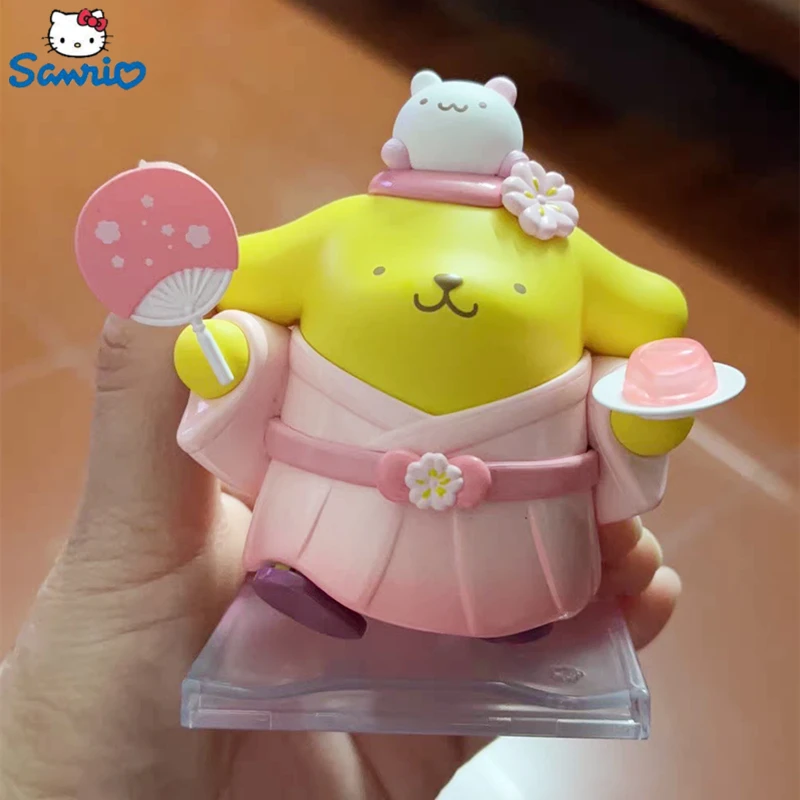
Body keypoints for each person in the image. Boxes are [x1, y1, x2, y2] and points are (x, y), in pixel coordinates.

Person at [0, 317, 680, 799]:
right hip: (337, 487)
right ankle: (313, 581)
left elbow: (650, 310)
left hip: (515, 505)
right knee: (320, 533)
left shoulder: (558, 253)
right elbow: (263, 277)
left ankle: (512, 607)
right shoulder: (344, 240)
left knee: (523, 559)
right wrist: (234, 339)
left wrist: (642, 395)